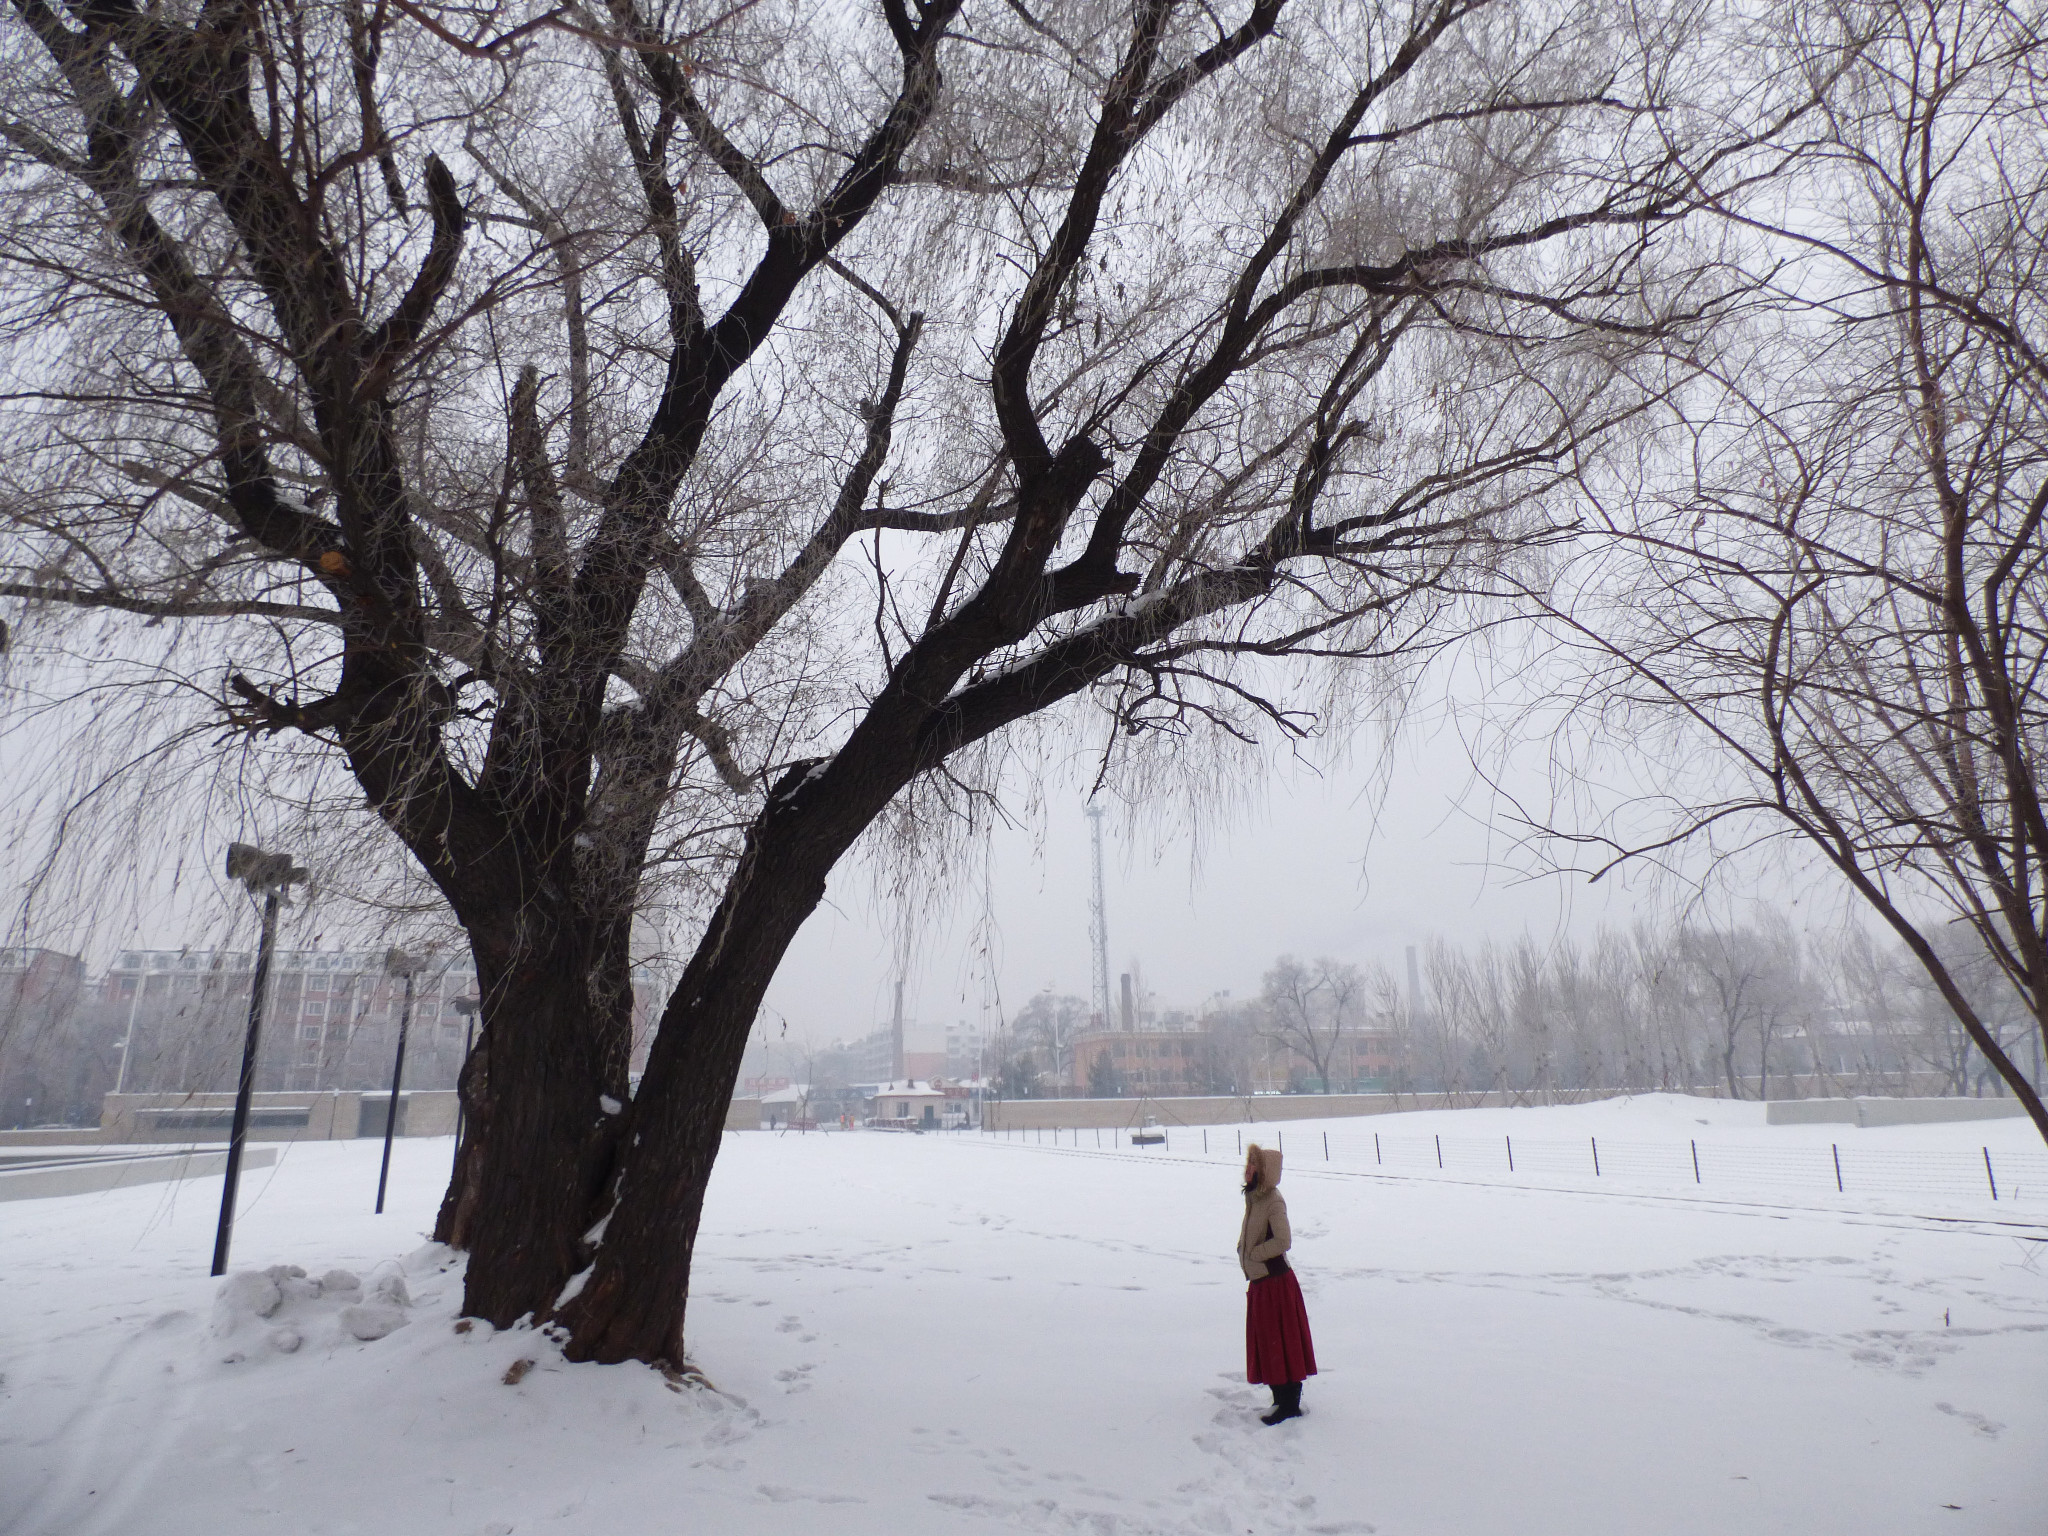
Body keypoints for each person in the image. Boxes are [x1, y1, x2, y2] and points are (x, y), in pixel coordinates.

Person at [1237, 1141, 1317, 1425]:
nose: (1247, 1169)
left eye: (1253, 1164)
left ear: (1264, 1171)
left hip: (1276, 1284)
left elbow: (1283, 1241)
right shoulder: (1255, 1198)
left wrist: (1253, 1254)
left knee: (1283, 1341)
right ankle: (1278, 1399)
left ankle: (1289, 1404)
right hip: (1261, 1282)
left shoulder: (1273, 1200)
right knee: (1268, 1342)